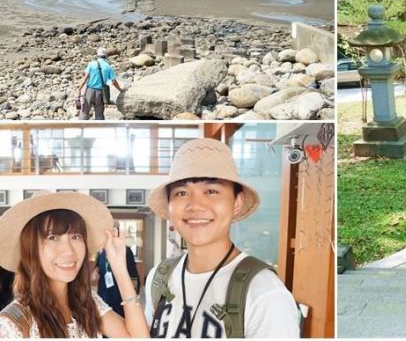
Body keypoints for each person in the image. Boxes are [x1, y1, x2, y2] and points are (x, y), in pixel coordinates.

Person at [144, 138, 300, 338]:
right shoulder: (159, 277)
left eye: (211, 191)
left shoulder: (264, 292)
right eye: (181, 192)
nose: (195, 205)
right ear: (170, 206)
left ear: (237, 202)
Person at [0, 191, 149, 338]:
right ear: (30, 250)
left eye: (76, 236)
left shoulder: (87, 304)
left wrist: (118, 266)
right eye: (52, 237)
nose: (69, 250)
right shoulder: (12, 325)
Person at [94, 222, 140, 317]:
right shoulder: (101, 251)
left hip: (120, 294)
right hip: (104, 293)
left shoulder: (125, 251)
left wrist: (133, 299)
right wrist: (95, 273)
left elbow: (134, 276)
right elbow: (97, 267)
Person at [77, 47, 123, 120]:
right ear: (106, 56)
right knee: (99, 113)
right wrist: (120, 89)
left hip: (89, 90)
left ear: (97, 55)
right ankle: (100, 129)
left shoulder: (91, 64)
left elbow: (85, 77)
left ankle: (81, 128)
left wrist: (79, 88)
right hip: (100, 93)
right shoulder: (108, 67)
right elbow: (113, 81)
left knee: (85, 111)